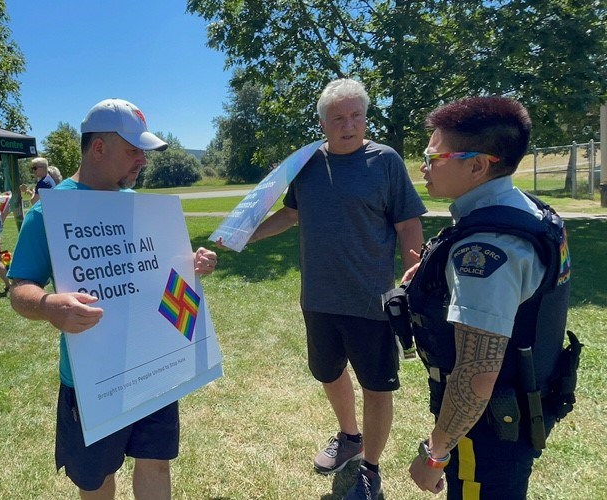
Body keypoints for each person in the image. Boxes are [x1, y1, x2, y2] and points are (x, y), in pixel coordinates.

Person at [8, 98, 218, 499]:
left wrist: (189, 263)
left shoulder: (138, 203)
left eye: (143, 151)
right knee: (98, 477)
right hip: (93, 378)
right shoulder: (48, 211)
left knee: (155, 460)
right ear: (98, 148)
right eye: (132, 150)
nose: (142, 160)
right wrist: (48, 306)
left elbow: (152, 270)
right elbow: (20, 289)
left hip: (153, 362)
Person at [246, 79, 426, 499]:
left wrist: (412, 273)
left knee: (377, 386)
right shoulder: (307, 164)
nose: (348, 126)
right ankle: (349, 437)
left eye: (356, 116)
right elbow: (289, 214)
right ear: (323, 123)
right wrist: (242, 236)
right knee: (327, 372)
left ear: (365, 117)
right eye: (338, 118)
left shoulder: (385, 162)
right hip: (319, 299)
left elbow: (408, 224)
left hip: (373, 300)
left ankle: (371, 468)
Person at [405, 96, 578, 498]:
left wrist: (436, 455)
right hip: (522, 408)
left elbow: (476, 376)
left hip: (489, 429)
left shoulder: (485, 252)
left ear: (478, 165)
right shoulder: (530, 212)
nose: (423, 167)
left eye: (434, 157)